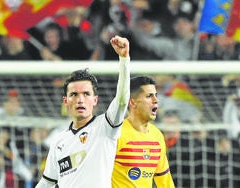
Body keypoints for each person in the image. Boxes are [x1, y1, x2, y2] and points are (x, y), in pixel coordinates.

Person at [35, 35, 130, 188]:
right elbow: (47, 182)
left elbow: (122, 100)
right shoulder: (59, 141)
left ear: (95, 100)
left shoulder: (106, 126)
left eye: (86, 94)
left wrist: (124, 59)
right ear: (66, 101)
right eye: (74, 94)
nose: (80, 100)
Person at [112, 76, 175, 188]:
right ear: (133, 103)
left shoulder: (157, 134)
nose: (156, 100)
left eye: (156, 95)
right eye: (149, 96)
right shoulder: (116, 134)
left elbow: (164, 180)